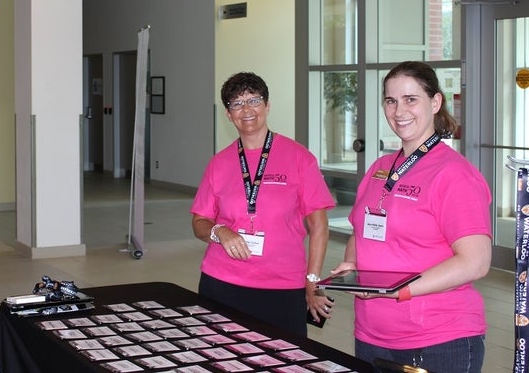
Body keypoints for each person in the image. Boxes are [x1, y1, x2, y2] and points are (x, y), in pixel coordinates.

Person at [332, 61, 492, 373]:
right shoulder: (381, 167)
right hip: (371, 334)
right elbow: (359, 232)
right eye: (391, 101)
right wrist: (352, 269)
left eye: (410, 99)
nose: (399, 111)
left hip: (437, 340)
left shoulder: (454, 174)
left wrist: (397, 290)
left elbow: (475, 262)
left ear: (435, 102)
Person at [191, 71, 336, 336]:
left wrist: (312, 281)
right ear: (228, 114)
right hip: (222, 281)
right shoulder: (219, 163)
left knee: (284, 359)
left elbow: (320, 227)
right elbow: (199, 222)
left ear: (267, 106)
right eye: (237, 103)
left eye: (254, 100)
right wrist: (220, 231)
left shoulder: (299, 158)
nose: (246, 109)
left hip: (282, 286)